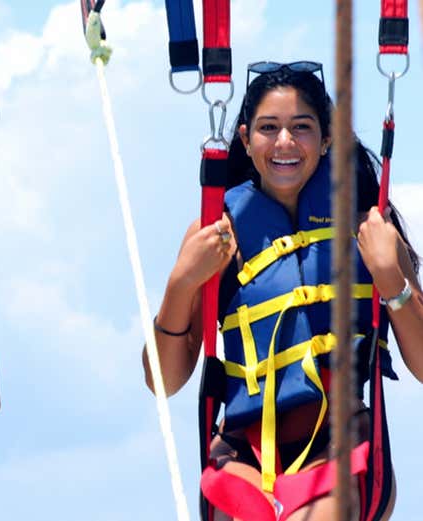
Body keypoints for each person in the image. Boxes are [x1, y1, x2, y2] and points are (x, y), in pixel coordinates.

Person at [143, 62, 423, 520]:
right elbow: (164, 381)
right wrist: (182, 282)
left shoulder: (367, 226)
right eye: (269, 128)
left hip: (340, 446)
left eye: (302, 128)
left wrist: (390, 278)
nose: (285, 143)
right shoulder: (217, 232)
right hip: (242, 456)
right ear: (245, 139)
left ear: (326, 138)